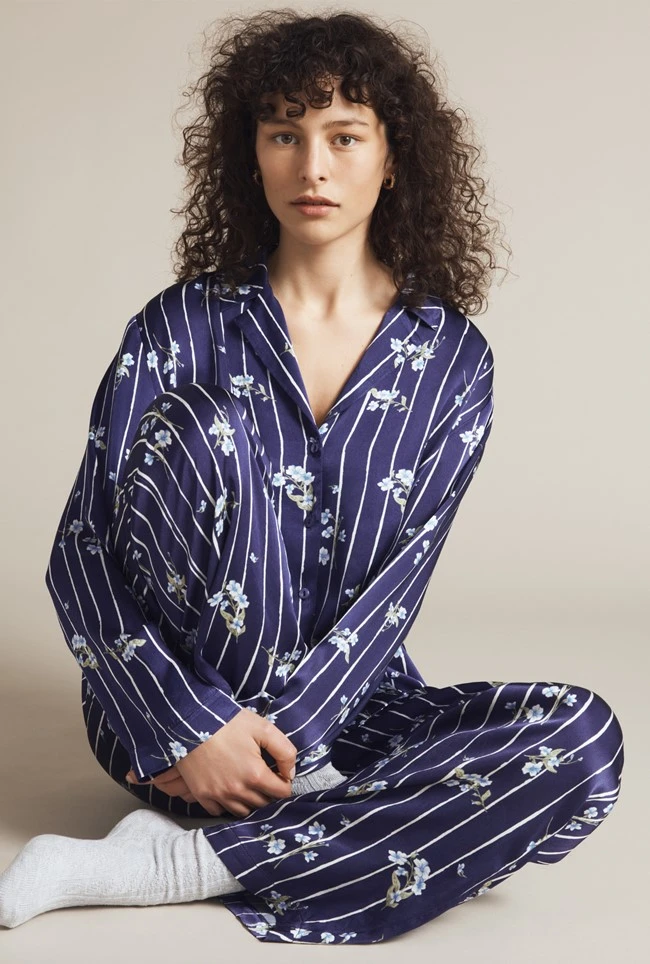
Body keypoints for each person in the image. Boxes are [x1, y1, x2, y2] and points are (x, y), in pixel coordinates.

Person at [0, 8, 623, 945]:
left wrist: (289, 742)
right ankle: (344, 824)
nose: (313, 167)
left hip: (346, 711)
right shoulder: (179, 327)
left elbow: (395, 595)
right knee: (211, 429)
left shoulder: (452, 361)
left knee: (582, 743)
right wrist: (187, 726)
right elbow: (82, 548)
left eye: (344, 136)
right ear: (251, 154)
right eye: (284, 134)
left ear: (393, 157)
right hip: (170, 721)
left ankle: (177, 861)